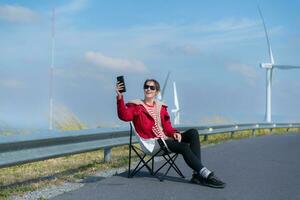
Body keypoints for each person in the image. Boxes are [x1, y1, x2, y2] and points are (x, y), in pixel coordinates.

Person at [116, 78, 226, 188]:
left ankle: (197, 175)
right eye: (146, 87)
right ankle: (206, 174)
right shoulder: (136, 106)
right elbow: (124, 116)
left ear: (157, 91)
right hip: (152, 143)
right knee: (183, 147)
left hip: (166, 139)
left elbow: (168, 127)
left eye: (152, 87)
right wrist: (120, 97)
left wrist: (174, 133)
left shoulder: (161, 107)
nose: (148, 89)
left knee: (193, 133)